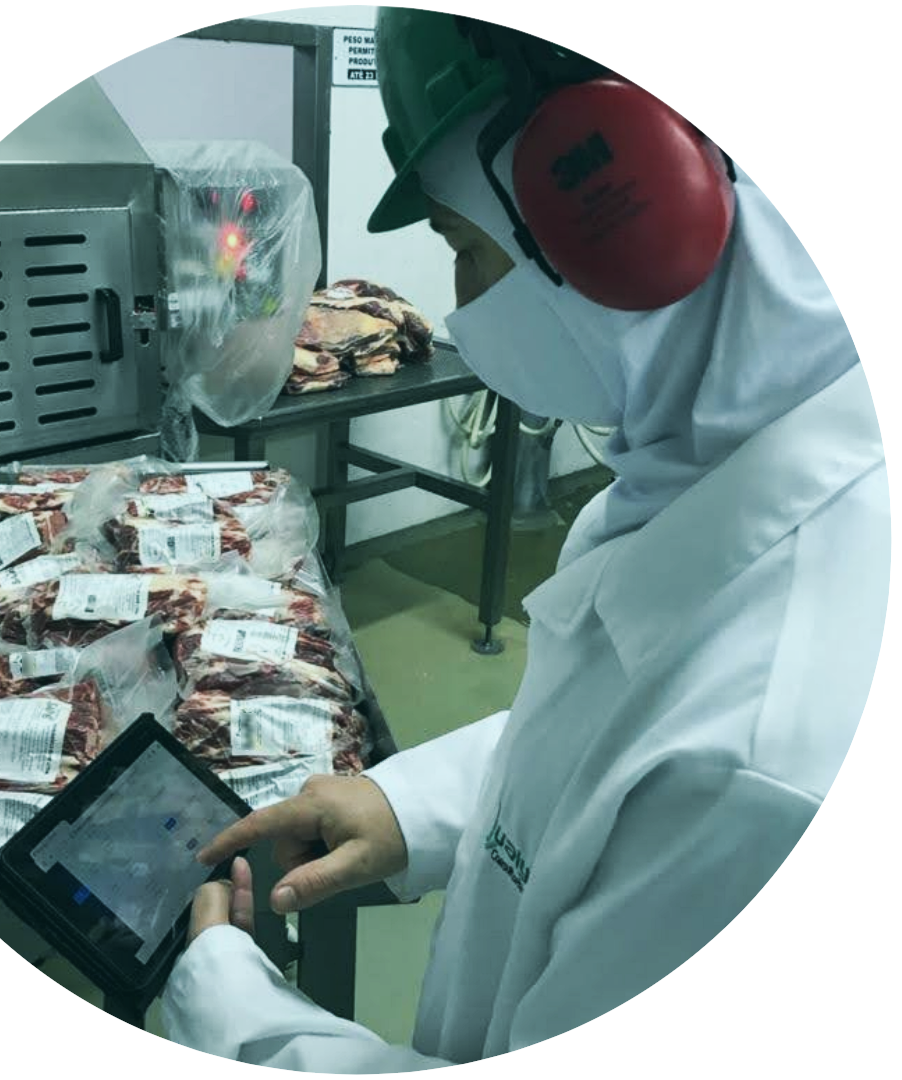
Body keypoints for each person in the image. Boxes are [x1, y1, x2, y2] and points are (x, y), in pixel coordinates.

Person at [159, 12, 888, 1069]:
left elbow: (670, 778)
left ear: (622, 199)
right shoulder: (692, 479)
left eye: (463, 248)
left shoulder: (769, 765)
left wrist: (228, 1005)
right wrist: (409, 807)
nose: (460, 308)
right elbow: (601, 761)